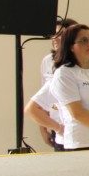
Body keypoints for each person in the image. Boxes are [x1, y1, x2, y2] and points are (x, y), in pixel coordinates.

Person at [35, 17, 78, 150]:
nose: (54, 38)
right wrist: (43, 128)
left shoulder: (87, 60)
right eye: (53, 34)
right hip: (58, 128)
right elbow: (43, 100)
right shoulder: (48, 61)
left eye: (60, 35)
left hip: (80, 129)